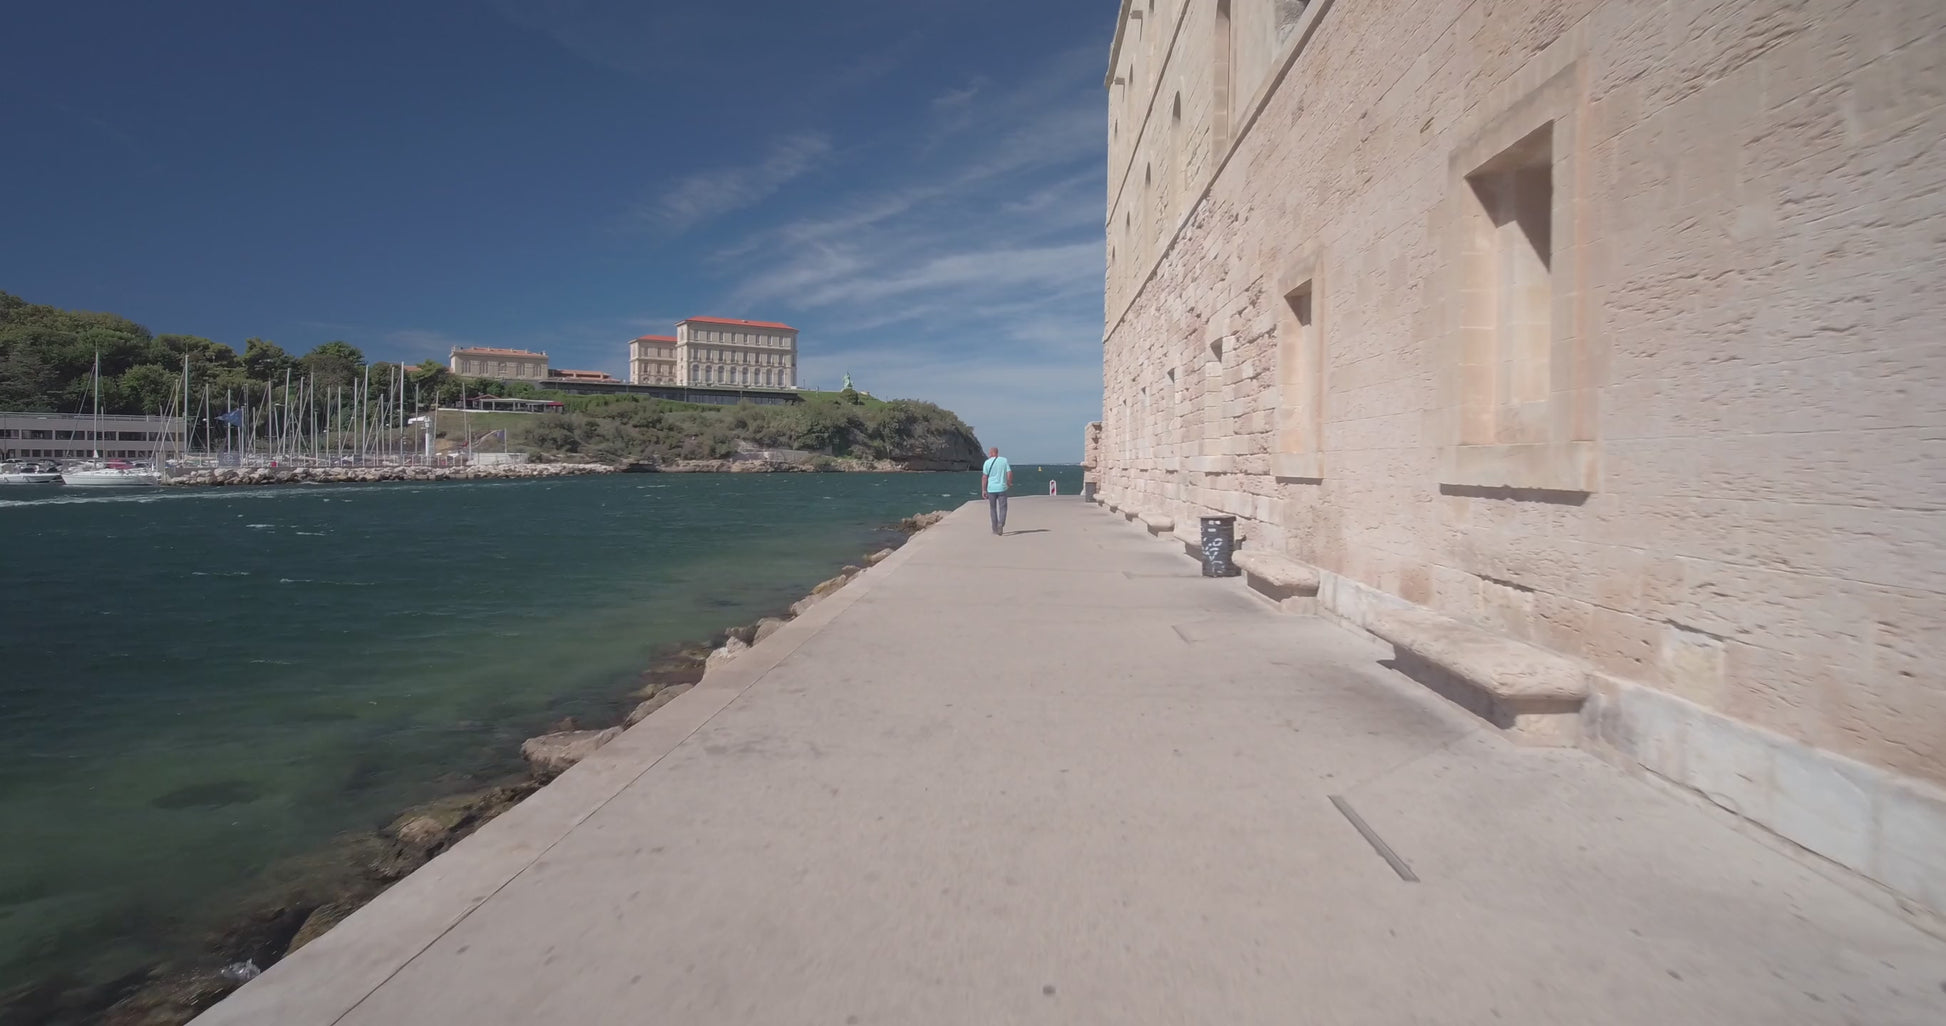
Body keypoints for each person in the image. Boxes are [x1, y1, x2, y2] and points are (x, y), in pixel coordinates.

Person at [980, 446, 1012, 536]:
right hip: (1002, 488)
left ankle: (995, 529)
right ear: (997, 453)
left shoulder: (987, 462)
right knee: (1003, 508)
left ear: (991, 453)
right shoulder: (1004, 460)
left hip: (991, 489)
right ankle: (1001, 523)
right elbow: (1009, 473)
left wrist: (983, 490)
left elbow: (984, 477)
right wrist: (1009, 482)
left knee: (993, 509)